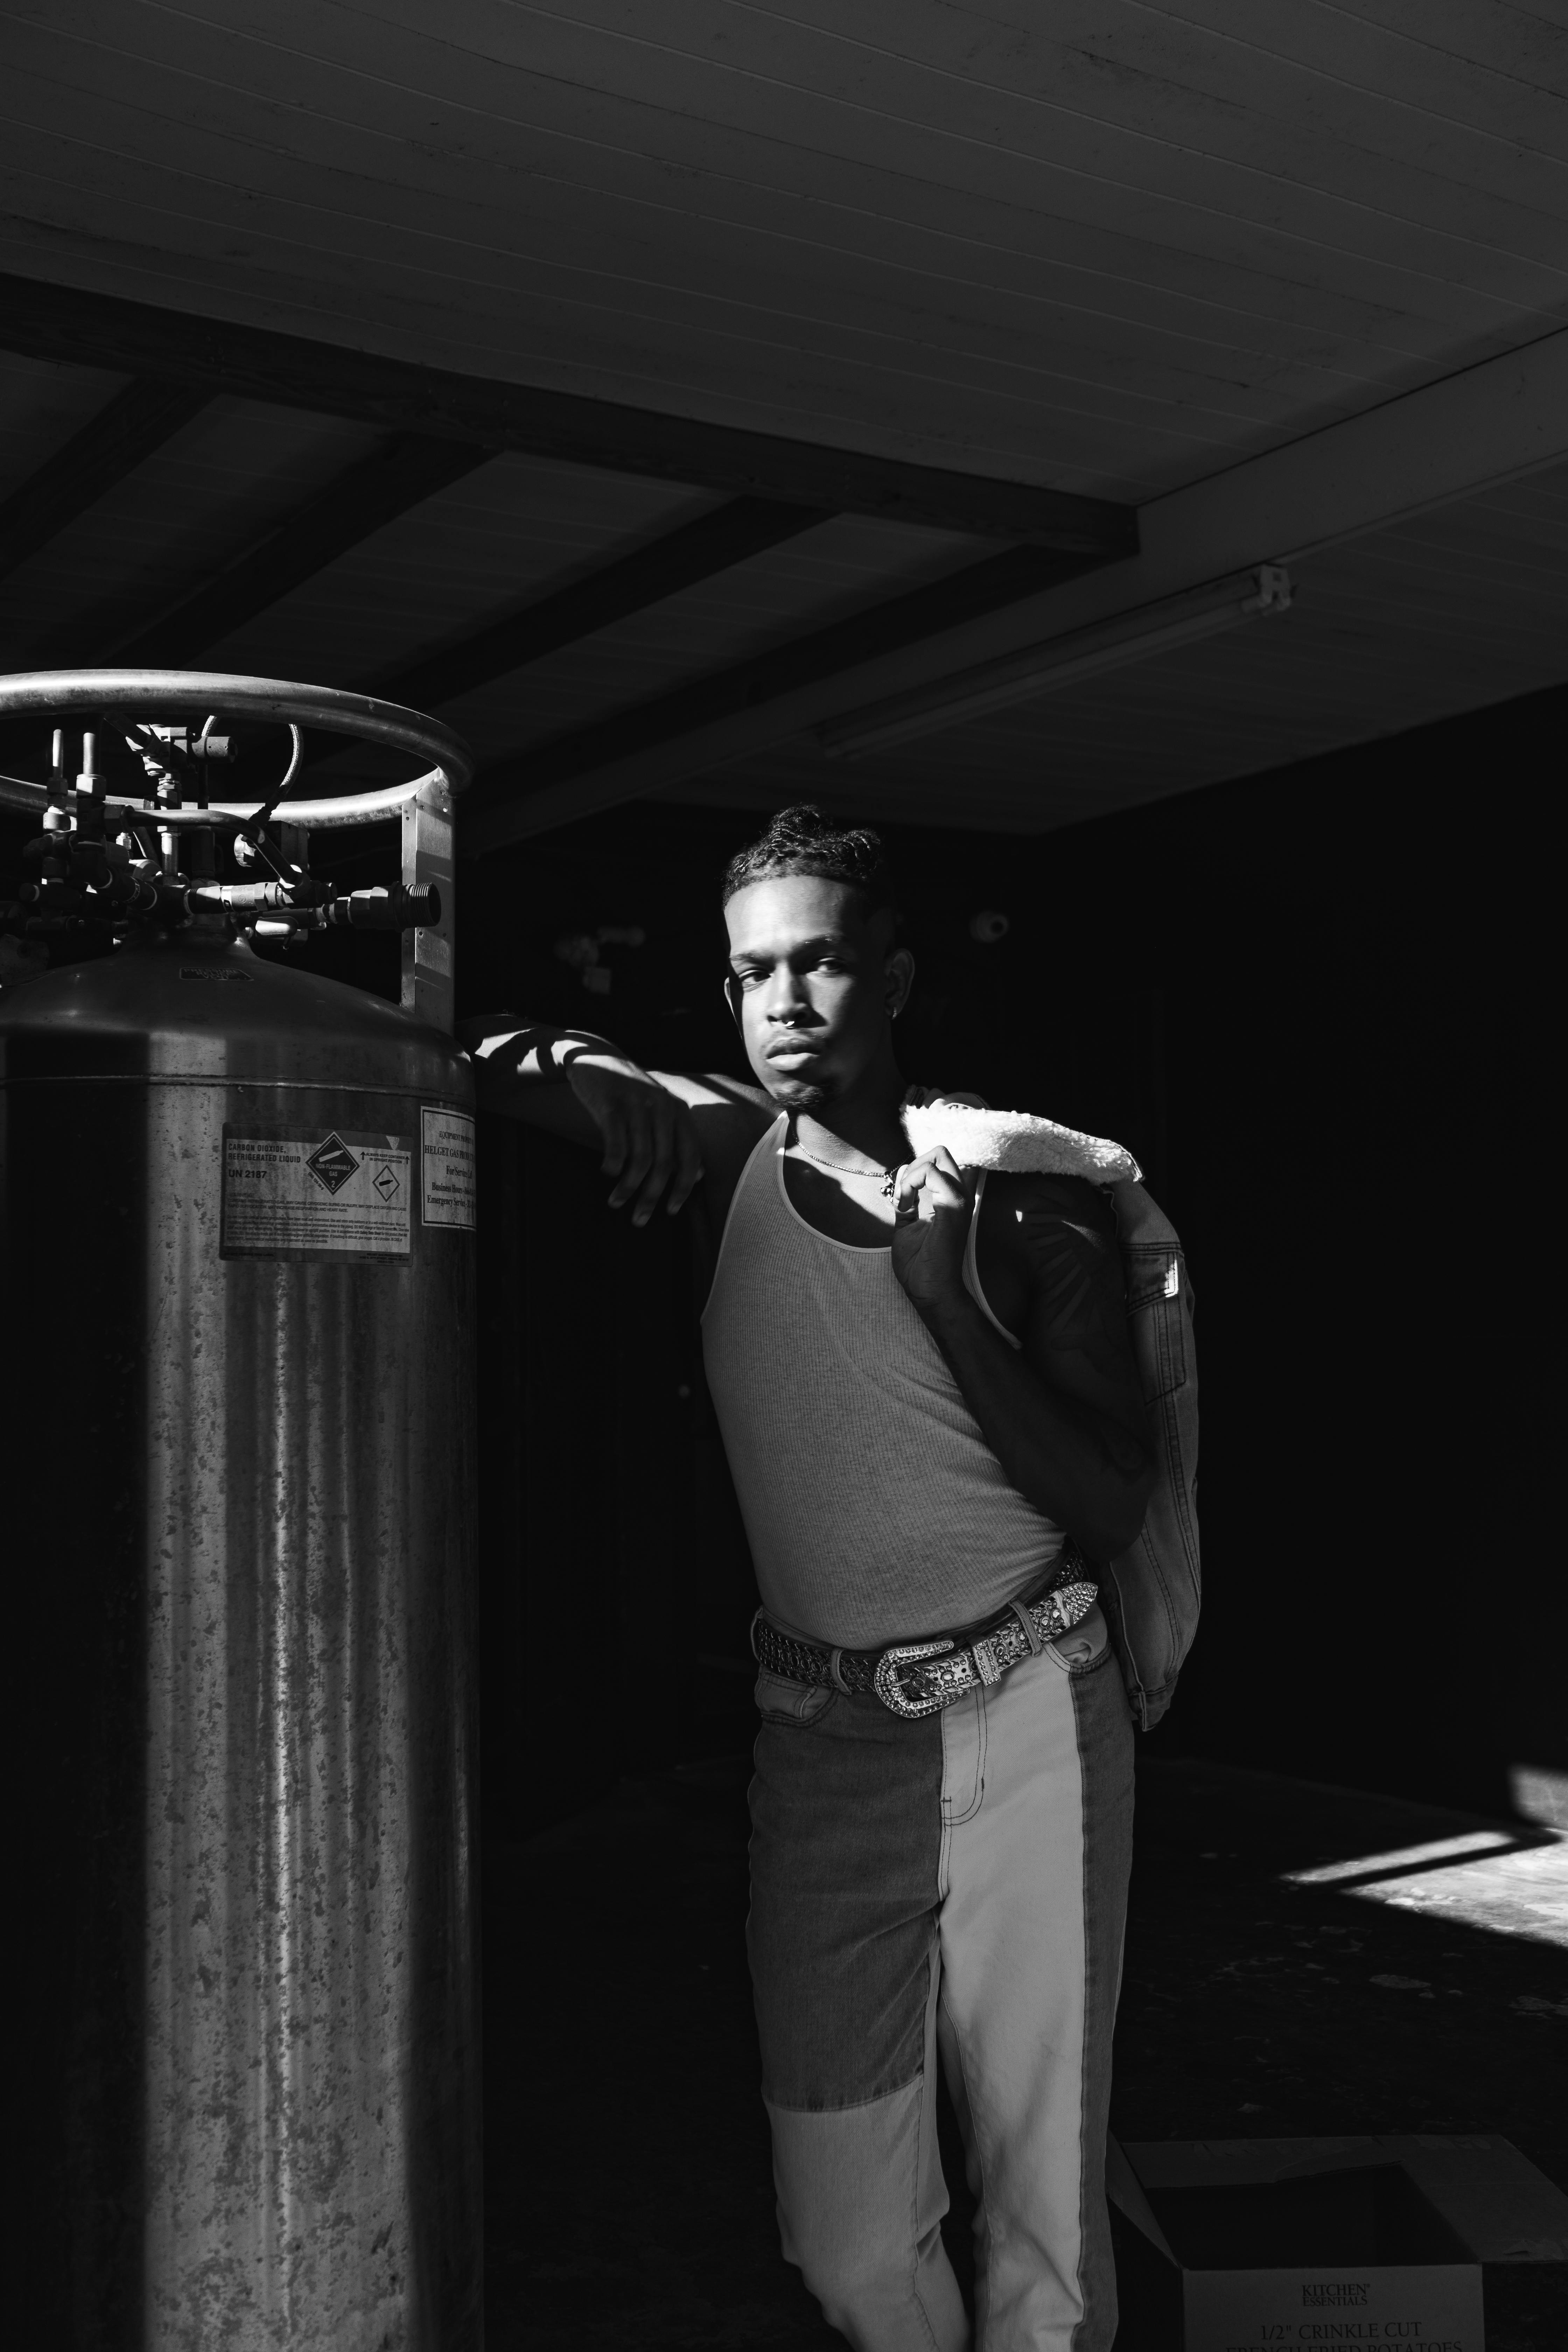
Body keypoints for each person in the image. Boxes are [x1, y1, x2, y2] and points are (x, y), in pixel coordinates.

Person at [461, 806, 1156, 2352]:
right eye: (754, 972)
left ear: (894, 982)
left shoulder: (1016, 1196)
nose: (785, 1001)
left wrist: (951, 1305)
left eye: (823, 963)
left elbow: (1112, 1501)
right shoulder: (724, 1155)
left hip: (1034, 1712)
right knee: (849, 2250)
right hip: (830, 1742)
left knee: (1047, 2247)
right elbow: (471, 1056)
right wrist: (573, 1060)